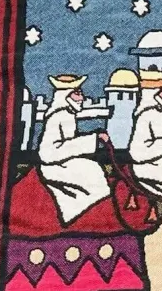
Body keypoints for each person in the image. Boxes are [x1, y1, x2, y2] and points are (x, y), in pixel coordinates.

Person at [37, 74, 111, 223]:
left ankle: (85, 217)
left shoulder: (67, 114)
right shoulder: (60, 115)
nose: (82, 98)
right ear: (66, 95)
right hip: (55, 166)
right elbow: (48, 153)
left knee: (93, 171)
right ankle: (86, 218)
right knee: (92, 174)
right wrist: (93, 139)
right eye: (77, 93)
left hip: (62, 162)